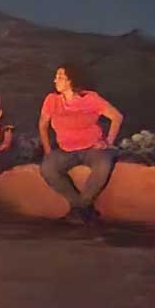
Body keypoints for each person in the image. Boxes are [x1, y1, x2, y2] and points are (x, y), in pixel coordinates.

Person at [38, 65, 123, 224]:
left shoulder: (90, 99)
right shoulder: (52, 100)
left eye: (60, 77)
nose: (55, 80)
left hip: (92, 148)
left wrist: (108, 142)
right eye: (56, 76)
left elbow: (117, 117)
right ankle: (82, 207)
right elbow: (43, 125)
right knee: (47, 168)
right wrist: (48, 150)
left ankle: (80, 208)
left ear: (71, 80)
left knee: (104, 164)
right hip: (65, 150)